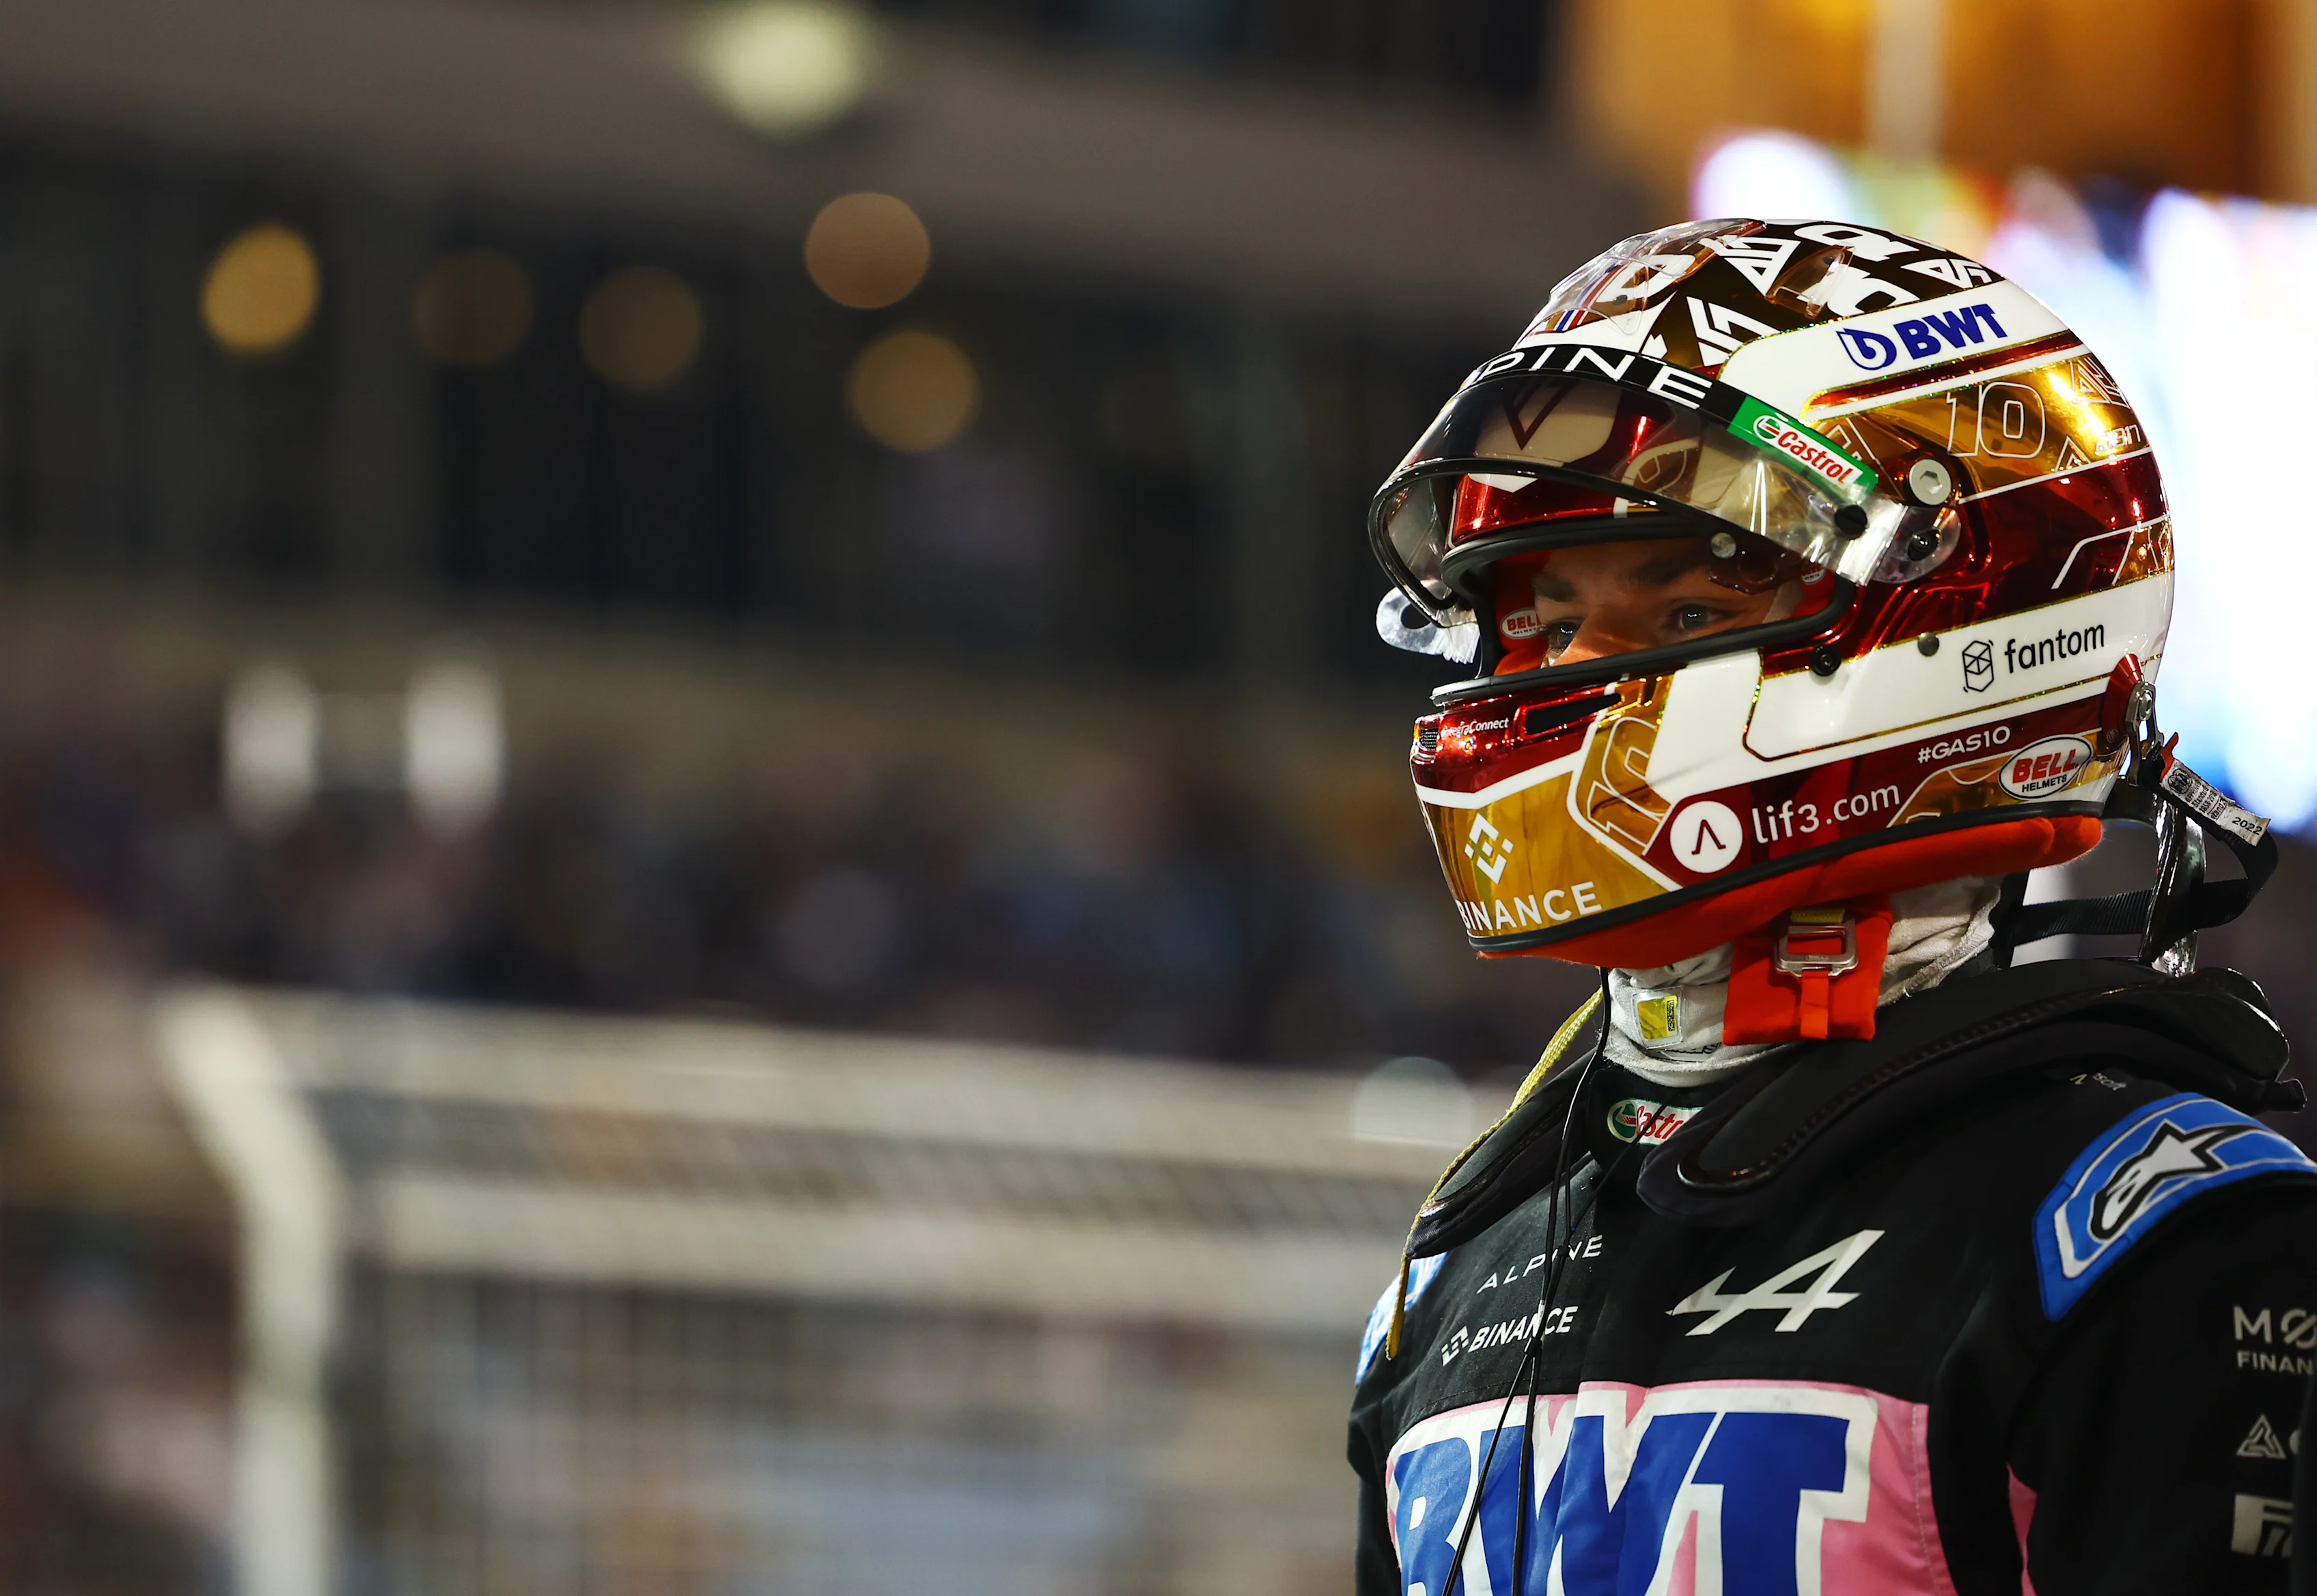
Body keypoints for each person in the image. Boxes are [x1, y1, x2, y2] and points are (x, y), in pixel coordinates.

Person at [1349, 218, 2317, 1595]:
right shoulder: (1459, 1262)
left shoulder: (2171, 1239)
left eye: (1686, 616)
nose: (1565, 680)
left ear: (1965, 621)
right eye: (1549, 624)